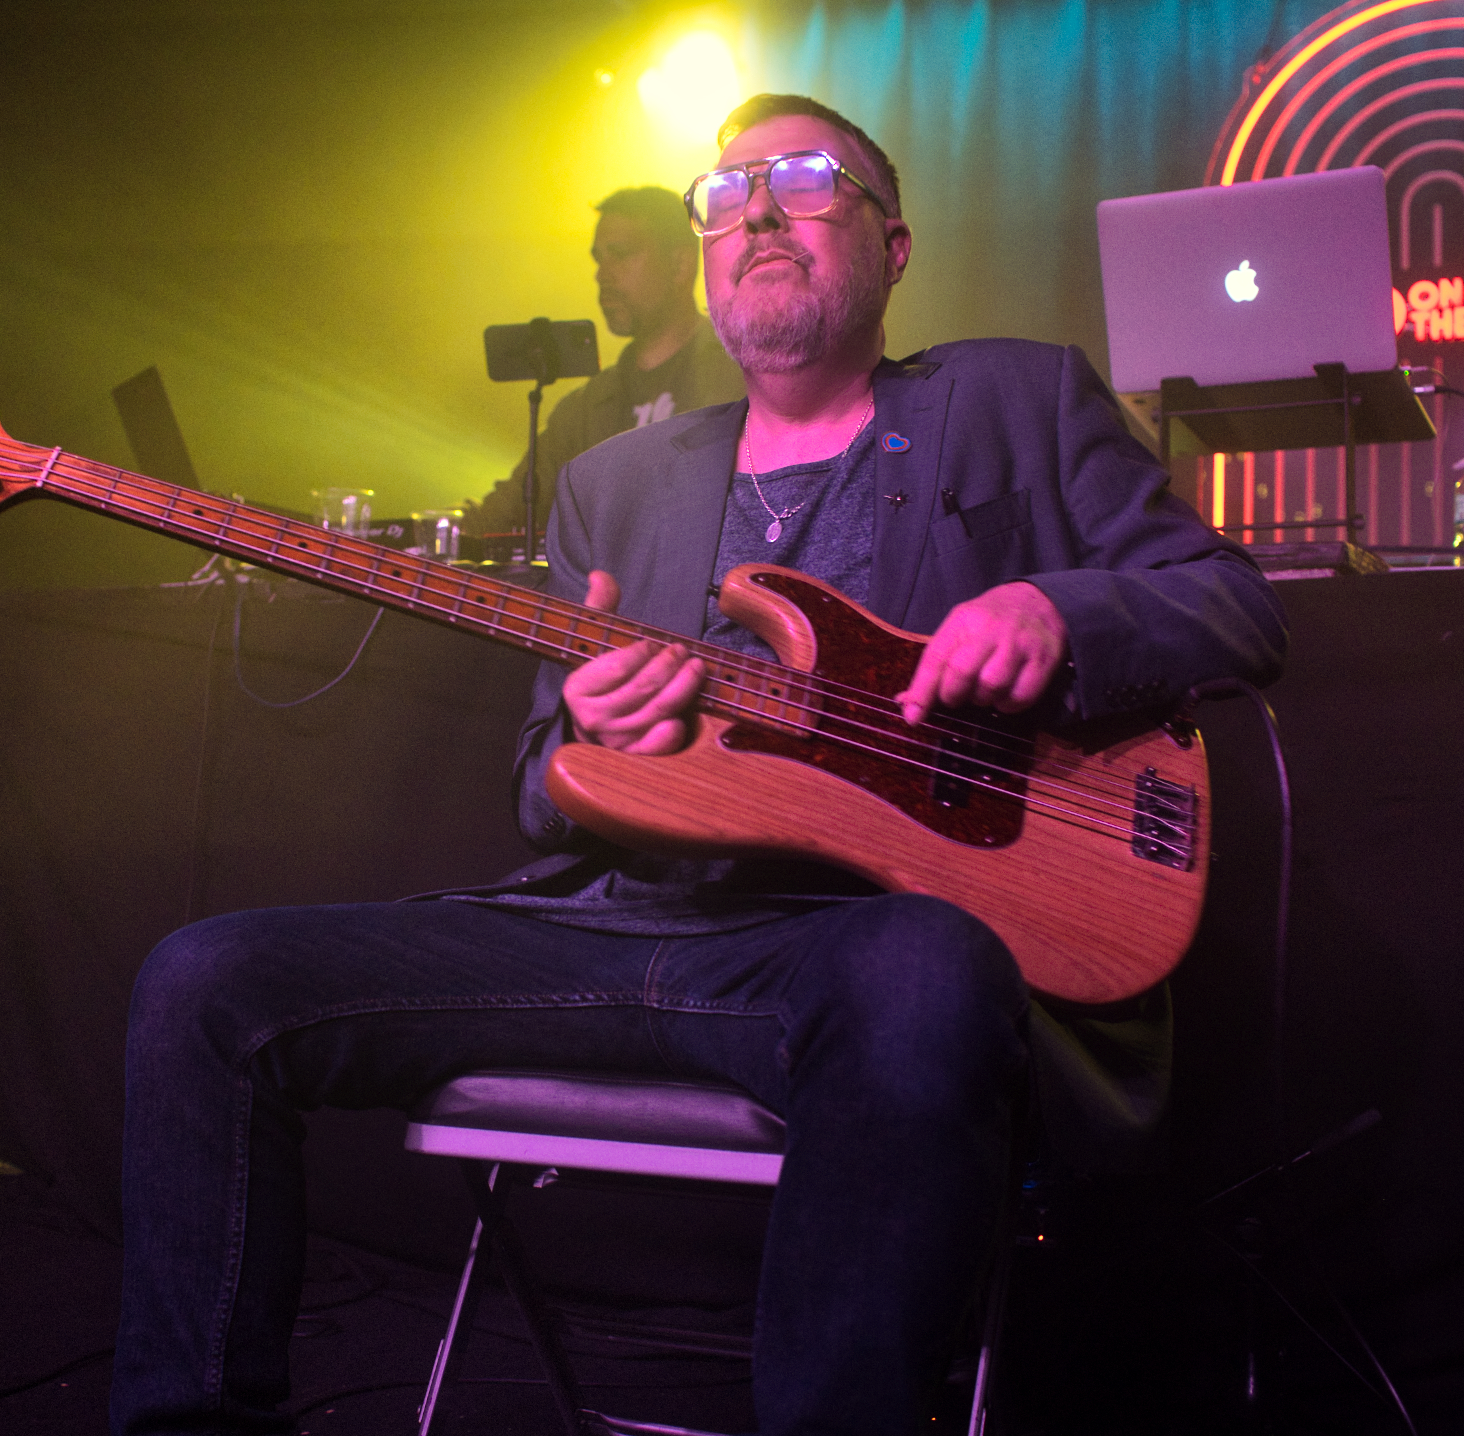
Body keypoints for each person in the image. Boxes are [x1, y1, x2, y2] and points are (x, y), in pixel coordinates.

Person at [111, 94, 1285, 1434]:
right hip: (624, 930)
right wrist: (591, 739)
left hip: (860, 945)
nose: (759, 212)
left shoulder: (1016, 398)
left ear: (893, 245)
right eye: (725, 198)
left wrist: (1056, 613)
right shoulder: (613, 482)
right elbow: (540, 786)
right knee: (203, 980)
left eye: (806, 181)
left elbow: (1235, 605)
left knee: (922, 968)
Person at [464, 186, 746, 538]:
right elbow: (506, 511)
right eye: (599, 259)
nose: (602, 274)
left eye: (621, 254)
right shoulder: (585, 409)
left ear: (680, 265)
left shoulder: (742, 378)